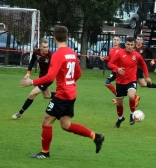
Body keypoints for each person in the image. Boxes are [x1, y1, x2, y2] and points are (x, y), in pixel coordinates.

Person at [20, 25, 105, 158]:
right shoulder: (72, 52)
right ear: (67, 38)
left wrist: (31, 82)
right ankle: (95, 136)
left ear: (54, 38)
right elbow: (78, 74)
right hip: (71, 93)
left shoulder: (57, 55)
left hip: (62, 95)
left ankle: (44, 153)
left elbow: (49, 77)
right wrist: (70, 82)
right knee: (66, 125)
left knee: (46, 122)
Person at [108, 36, 152, 128]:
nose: (130, 46)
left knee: (132, 96)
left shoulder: (136, 55)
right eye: (128, 44)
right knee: (119, 103)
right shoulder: (119, 53)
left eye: (132, 45)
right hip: (120, 81)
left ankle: (132, 114)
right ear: (125, 44)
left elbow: (143, 65)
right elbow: (110, 63)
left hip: (131, 80)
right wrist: (117, 68)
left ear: (134, 45)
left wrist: (147, 77)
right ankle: (120, 118)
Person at [12, 38, 54, 120]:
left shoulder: (51, 56)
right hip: (41, 77)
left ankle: (20, 113)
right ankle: (62, 96)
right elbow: (32, 61)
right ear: (40, 47)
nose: (46, 49)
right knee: (47, 96)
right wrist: (28, 73)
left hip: (48, 78)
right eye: (44, 47)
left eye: (47, 47)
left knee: (32, 94)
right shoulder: (36, 52)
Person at [100, 36, 140, 106]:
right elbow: (110, 58)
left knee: (107, 82)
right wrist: (104, 58)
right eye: (114, 40)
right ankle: (133, 97)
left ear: (119, 42)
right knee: (108, 83)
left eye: (117, 40)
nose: (115, 41)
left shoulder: (120, 50)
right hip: (115, 70)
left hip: (118, 71)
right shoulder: (111, 49)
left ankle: (122, 97)